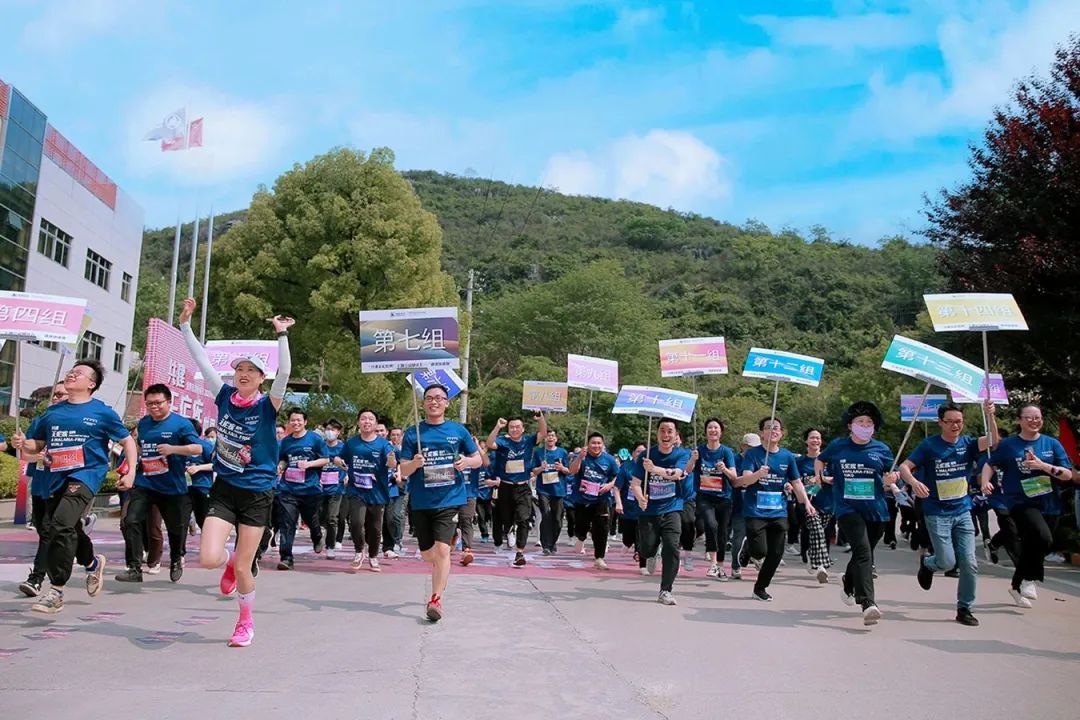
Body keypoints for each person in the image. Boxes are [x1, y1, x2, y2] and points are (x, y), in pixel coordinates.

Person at [178, 296, 292, 647]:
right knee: (209, 559)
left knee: (245, 567)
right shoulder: (224, 395)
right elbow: (201, 359)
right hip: (225, 488)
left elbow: (285, 372)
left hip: (257, 493)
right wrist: (185, 324)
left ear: (261, 378)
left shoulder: (269, 405)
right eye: (239, 369)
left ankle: (245, 622)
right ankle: (227, 563)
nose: (243, 374)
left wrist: (282, 334)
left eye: (251, 371)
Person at [12, 360, 137, 614]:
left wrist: (131, 472)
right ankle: (92, 563)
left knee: (60, 525)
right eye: (71, 371)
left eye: (78, 373)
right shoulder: (53, 413)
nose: (71, 375)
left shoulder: (102, 412)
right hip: (55, 478)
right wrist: (23, 443)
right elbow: (37, 445)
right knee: (66, 526)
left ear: (91, 384)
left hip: (86, 475)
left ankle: (56, 590)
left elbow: (127, 441)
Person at [900, 400, 998, 626]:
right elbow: (905, 467)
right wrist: (914, 482)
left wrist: (990, 415)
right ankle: (929, 563)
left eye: (959, 422)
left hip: (962, 510)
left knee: (969, 563)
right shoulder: (929, 446)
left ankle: (965, 608)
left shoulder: (968, 443)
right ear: (940, 423)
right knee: (946, 562)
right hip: (937, 512)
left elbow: (993, 440)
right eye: (951, 422)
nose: (956, 426)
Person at [397, 384, 482, 621]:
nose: (434, 402)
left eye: (439, 398)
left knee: (442, 551)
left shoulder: (458, 431)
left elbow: (478, 459)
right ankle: (443, 558)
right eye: (429, 398)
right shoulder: (413, 433)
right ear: (423, 403)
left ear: (447, 403)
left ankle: (435, 599)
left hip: (450, 498)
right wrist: (414, 464)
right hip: (422, 501)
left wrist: (466, 462)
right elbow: (403, 469)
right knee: (428, 555)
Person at [981, 405, 1074, 608]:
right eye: (1029, 417)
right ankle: (1030, 579)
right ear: (1019, 420)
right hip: (1020, 502)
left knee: (1038, 544)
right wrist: (985, 481)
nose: (1034, 421)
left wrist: (1043, 466)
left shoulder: (1051, 443)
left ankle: (1017, 585)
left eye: (1037, 417)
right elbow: (990, 464)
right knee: (1043, 537)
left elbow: (1067, 474)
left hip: (1049, 502)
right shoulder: (1009, 445)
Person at [817, 401, 897, 626]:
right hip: (847, 509)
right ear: (850, 425)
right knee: (863, 553)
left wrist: (893, 478)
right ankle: (868, 603)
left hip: (876, 510)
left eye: (869, 422)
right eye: (860, 421)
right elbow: (820, 460)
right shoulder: (838, 446)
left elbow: (892, 472)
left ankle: (848, 581)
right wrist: (820, 477)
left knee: (864, 552)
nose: (865, 425)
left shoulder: (882, 449)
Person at [114, 384, 203, 583]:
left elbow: (197, 448)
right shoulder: (144, 423)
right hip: (145, 483)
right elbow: (138, 447)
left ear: (169, 402)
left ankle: (176, 559)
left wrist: (173, 449)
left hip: (172, 487)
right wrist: (130, 468)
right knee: (131, 520)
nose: (154, 407)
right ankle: (134, 568)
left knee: (175, 529)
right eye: (149, 404)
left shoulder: (181, 424)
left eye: (158, 403)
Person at [737, 417, 815, 602]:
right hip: (755, 510)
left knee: (776, 554)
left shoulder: (787, 456)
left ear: (782, 433)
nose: (773, 431)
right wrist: (758, 474)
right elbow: (745, 480)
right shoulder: (753, 454)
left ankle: (760, 588)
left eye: (776, 428)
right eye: (768, 428)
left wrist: (806, 502)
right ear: (762, 433)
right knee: (760, 551)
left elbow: (796, 483)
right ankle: (749, 547)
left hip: (778, 511)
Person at [631, 419, 692, 605]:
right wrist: (640, 498)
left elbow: (676, 474)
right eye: (662, 431)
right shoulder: (646, 455)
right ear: (656, 433)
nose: (666, 435)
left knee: (672, 548)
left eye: (670, 431)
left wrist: (654, 469)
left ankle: (665, 590)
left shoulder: (682, 454)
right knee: (647, 549)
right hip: (649, 511)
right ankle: (651, 552)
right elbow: (636, 483)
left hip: (673, 507)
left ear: (676, 435)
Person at [17, 381, 69, 597]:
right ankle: (82, 551)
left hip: (62, 485)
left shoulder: (76, 423)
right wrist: (30, 450)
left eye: (60, 394)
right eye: (54, 394)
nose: (55, 398)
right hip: (39, 484)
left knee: (48, 532)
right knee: (44, 530)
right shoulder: (41, 421)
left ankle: (36, 578)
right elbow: (25, 454)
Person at [486, 414, 546, 567]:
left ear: (523, 428)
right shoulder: (503, 442)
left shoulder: (528, 441)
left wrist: (540, 419)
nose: (514, 429)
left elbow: (543, 433)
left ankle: (520, 552)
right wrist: (497, 426)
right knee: (506, 519)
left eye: (517, 427)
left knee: (523, 519)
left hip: (523, 487)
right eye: (511, 427)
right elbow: (489, 443)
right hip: (505, 487)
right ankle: (509, 528)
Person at [341, 409, 397, 572]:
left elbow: (392, 464)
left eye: (370, 419)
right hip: (356, 490)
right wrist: (339, 462)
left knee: (375, 528)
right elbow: (340, 457)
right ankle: (359, 551)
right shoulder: (352, 443)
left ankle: (373, 556)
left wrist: (391, 459)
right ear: (358, 422)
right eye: (363, 418)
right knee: (356, 523)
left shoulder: (384, 444)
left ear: (376, 423)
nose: (367, 421)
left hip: (377, 492)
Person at [276, 408, 329, 570]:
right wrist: (280, 466)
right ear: (289, 422)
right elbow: (284, 459)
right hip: (288, 489)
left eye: (299, 420)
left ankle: (317, 536)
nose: (296, 423)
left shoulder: (315, 439)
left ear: (305, 422)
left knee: (311, 519)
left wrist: (309, 464)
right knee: (287, 523)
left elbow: (325, 459)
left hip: (310, 489)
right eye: (293, 420)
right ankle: (286, 558)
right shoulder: (285, 441)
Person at [568, 432, 620, 570]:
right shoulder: (582, 457)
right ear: (588, 444)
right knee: (581, 527)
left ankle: (599, 558)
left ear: (603, 445)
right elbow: (572, 471)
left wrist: (609, 485)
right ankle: (581, 537)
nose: (596, 446)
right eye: (593, 443)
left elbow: (618, 476)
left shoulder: (609, 460)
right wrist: (580, 457)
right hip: (582, 499)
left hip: (601, 499)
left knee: (602, 529)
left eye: (599, 443)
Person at [694, 418, 738, 580]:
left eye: (716, 428)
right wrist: (692, 459)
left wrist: (724, 469)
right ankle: (712, 563)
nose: (713, 430)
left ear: (721, 432)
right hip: (705, 496)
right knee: (711, 525)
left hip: (724, 498)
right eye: (710, 427)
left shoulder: (726, 452)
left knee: (722, 531)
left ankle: (720, 565)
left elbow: (734, 476)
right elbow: (688, 470)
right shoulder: (699, 450)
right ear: (706, 431)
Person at [797, 428, 833, 584]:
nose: (815, 440)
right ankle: (821, 566)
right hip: (807, 503)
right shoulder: (799, 462)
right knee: (817, 529)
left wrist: (821, 479)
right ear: (806, 441)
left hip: (827, 503)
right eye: (812, 437)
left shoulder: (829, 460)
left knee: (820, 533)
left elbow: (837, 478)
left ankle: (812, 555)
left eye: (818, 438)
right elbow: (794, 481)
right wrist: (805, 483)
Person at [533, 428, 570, 555]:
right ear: (545, 438)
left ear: (556, 439)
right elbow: (533, 471)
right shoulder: (538, 452)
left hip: (558, 490)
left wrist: (561, 468)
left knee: (557, 519)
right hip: (543, 489)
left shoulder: (562, 452)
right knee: (546, 515)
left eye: (553, 436)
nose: (550, 438)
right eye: (548, 435)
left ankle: (553, 542)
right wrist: (541, 468)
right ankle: (546, 545)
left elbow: (569, 471)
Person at [320, 418, 347, 560]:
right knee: (319, 517)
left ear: (339, 432)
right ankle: (318, 536)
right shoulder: (320, 446)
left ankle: (330, 546)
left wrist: (347, 474)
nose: (330, 432)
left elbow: (350, 464)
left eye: (333, 429)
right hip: (319, 487)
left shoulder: (344, 448)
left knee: (332, 518)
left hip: (337, 487)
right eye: (328, 429)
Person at [185, 420, 216, 539]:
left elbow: (215, 465)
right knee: (181, 520)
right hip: (182, 488)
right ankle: (179, 553)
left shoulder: (206, 446)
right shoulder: (178, 447)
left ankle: (210, 544)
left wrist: (198, 468)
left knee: (203, 520)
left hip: (202, 487)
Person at [382, 426, 406, 557]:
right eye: (393, 435)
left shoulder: (400, 450)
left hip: (399, 486)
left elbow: (400, 464)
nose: (395, 437)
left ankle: (395, 541)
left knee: (395, 516)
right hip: (381, 487)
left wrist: (400, 474)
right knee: (382, 517)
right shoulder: (385, 447)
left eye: (398, 435)